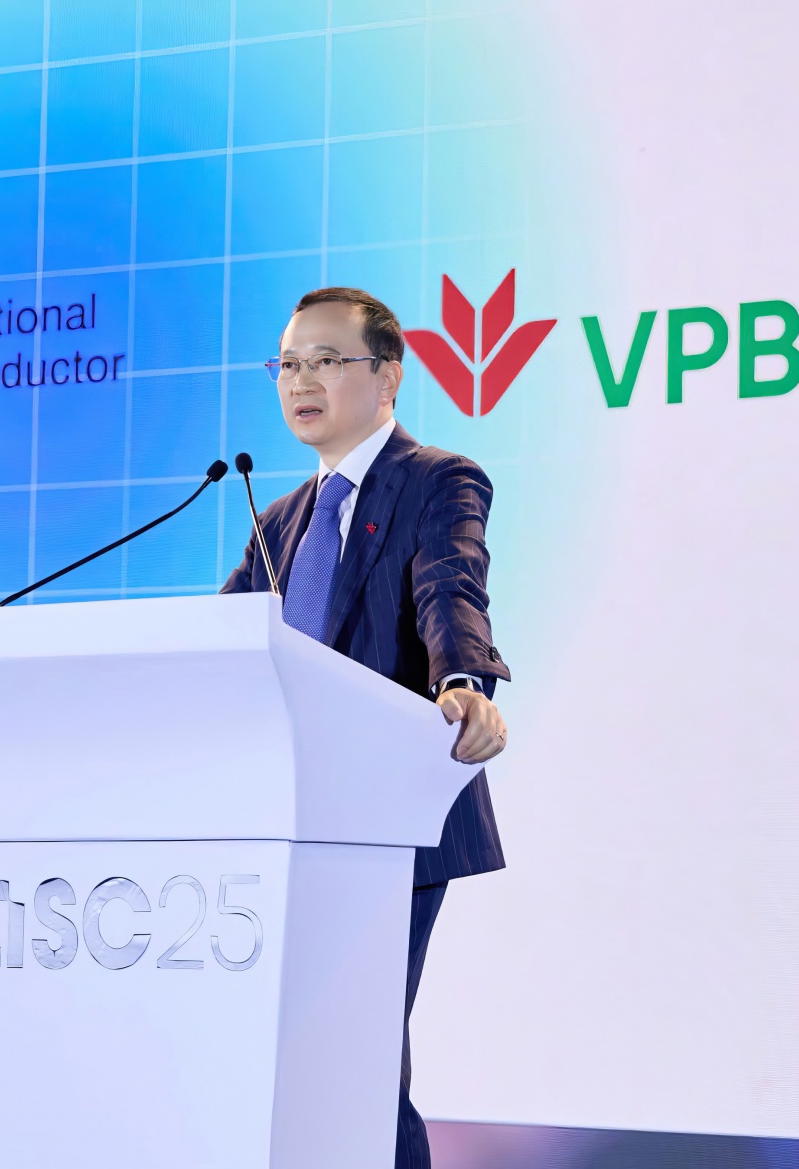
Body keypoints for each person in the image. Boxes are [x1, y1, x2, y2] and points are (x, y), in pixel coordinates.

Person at [220, 286, 509, 1169]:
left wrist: (462, 682)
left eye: (325, 361)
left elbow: (450, 587)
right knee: (300, 1067)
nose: (300, 381)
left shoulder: (437, 480)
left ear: (387, 377)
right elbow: (217, 646)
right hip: (281, 824)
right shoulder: (277, 522)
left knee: (358, 1065)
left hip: (389, 820)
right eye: (287, 364)